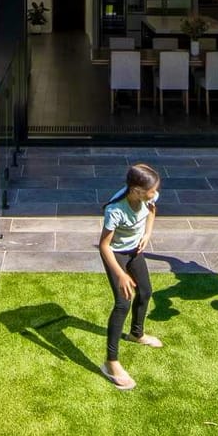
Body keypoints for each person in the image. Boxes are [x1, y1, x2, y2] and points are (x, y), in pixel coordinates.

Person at [98, 162, 164, 388]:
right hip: (116, 254)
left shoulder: (148, 196)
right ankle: (111, 362)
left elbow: (152, 210)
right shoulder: (115, 210)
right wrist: (121, 274)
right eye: (151, 191)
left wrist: (147, 234)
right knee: (122, 303)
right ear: (136, 191)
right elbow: (104, 246)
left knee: (145, 292)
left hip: (135, 250)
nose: (155, 194)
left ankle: (137, 334)